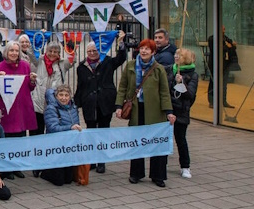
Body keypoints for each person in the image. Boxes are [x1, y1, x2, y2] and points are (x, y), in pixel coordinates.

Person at [116, 39, 176, 188]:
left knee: (156, 143)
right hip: (136, 110)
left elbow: (164, 92)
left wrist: (169, 112)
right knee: (137, 142)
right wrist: (118, 106)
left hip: (155, 112)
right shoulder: (130, 66)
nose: (143, 51)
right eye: (141, 48)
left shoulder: (158, 69)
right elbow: (122, 87)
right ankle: (136, 173)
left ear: (153, 52)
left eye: (147, 49)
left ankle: (158, 175)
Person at [74, 33, 126, 174]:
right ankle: (91, 160)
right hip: (89, 104)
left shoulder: (108, 61)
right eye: (89, 51)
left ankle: (101, 161)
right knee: (91, 132)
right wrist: (76, 102)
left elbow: (121, 59)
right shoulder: (81, 67)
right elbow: (81, 86)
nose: (92, 53)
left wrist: (121, 43)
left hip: (105, 103)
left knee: (103, 132)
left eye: (94, 51)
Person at [0, 41, 37, 179]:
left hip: (22, 106)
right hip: (7, 107)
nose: (14, 53)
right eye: (11, 50)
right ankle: (7, 168)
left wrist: (33, 81)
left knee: (20, 138)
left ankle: (17, 166)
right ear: (6, 52)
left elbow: (30, 87)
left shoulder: (25, 65)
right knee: (8, 138)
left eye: (16, 51)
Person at [40, 86, 81, 186]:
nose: (64, 98)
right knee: (59, 182)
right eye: (61, 95)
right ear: (56, 96)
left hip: (69, 145)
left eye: (66, 95)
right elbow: (52, 127)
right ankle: (44, 172)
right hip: (56, 145)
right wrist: (70, 127)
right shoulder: (51, 108)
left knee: (69, 180)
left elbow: (77, 124)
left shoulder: (73, 107)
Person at [169, 48, 198, 179]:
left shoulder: (193, 75)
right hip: (169, 109)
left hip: (181, 111)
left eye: (179, 55)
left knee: (181, 139)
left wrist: (181, 83)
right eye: (175, 54)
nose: (175, 57)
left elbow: (190, 94)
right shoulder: (170, 69)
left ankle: (185, 166)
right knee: (164, 138)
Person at [32, 42, 72, 136]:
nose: (52, 54)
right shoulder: (39, 61)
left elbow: (72, 58)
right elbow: (31, 52)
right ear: (46, 51)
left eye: (55, 52)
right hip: (39, 103)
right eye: (50, 51)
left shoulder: (63, 64)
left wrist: (67, 41)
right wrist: (40, 37)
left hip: (55, 105)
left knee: (53, 132)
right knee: (37, 133)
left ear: (59, 53)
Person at [207, 25, 237, 108]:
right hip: (215, 64)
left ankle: (223, 101)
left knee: (224, 84)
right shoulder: (212, 39)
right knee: (213, 82)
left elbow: (232, 46)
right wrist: (227, 46)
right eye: (222, 28)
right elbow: (217, 49)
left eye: (224, 28)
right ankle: (212, 101)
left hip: (225, 64)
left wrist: (231, 45)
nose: (224, 29)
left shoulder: (226, 38)